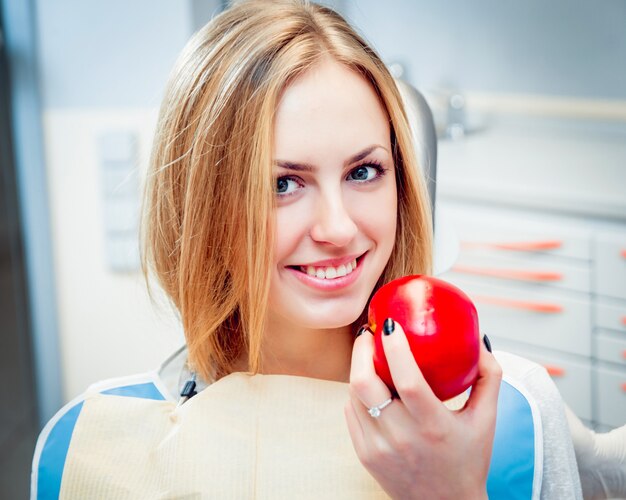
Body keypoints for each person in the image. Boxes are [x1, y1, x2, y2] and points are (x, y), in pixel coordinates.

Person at [31, 1, 622, 498]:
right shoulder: (95, 448)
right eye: (282, 184)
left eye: (365, 171)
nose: (338, 228)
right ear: (202, 209)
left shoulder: (512, 414)